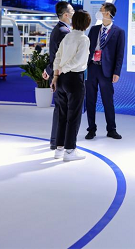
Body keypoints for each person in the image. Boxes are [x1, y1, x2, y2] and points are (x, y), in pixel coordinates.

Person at [50, 10, 91, 162]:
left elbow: (57, 57)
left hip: (61, 79)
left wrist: (56, 75)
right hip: (74, 78)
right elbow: (79, 61)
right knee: (74, 115)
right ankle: (70, 150)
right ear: (86, 23)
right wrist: (64, 69)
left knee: (62, 115)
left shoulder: (68, 37)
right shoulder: (84, 39)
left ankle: (59, 149)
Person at [85, 2, 125, 140]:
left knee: (108, 101)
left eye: (101, 10)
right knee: (90, 100)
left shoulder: (119, 32)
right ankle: (91, 129)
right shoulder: (94, 29)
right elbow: (88, 49)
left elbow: (120, 54)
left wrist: (117, 72)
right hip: (92, 68)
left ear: (107, 13)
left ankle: (111, 129)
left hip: (106, 71)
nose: (99, 12)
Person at [43, 1, 73, 150]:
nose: (74, 13)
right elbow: (59, 57)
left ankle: (56, 140)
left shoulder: (60, 29)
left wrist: (48, 70)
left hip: (57, 73)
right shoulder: (64, 32)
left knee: (60, 109)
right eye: (72, 11)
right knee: (62, 110)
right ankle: (57, 141)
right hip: (61, 75)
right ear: (66, 14)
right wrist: (50, 70)